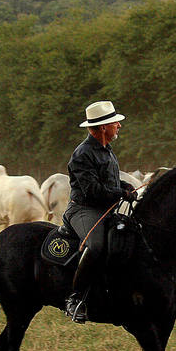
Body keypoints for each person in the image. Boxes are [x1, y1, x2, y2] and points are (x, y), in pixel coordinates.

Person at [63, 100, 137, 323]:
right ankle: (75, 300)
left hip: (106, 210)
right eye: (116, 123)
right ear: (104, 127)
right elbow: (93, 191)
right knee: (96, 246)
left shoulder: (107, 150)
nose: (119, 126)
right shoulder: (82, 154)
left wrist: (124, 187)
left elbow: (108, 181)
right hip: (83, 210)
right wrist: (119, 192)